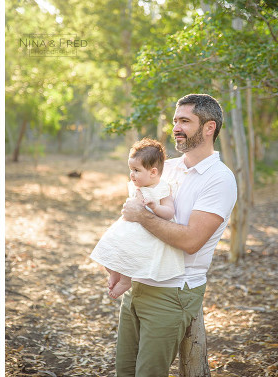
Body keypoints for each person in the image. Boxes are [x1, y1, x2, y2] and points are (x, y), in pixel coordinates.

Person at [116, 94, 237, 376]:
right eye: (175, 121)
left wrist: (141, 214)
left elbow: (191, 241)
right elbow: (133, 217)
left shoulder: (219, 178)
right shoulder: (166, 168)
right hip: (137, 284)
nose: (176, 128)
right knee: (124, 371)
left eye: (185, 121)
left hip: (173, 291)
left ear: (209, 128)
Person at [90, 138, 185, 299]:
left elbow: (169, 212)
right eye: (130, 169)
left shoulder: (163, 188)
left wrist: (155, 207)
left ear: (153, 172)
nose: (132, 174)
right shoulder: (136, 186)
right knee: (109, 250)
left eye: (136, 170)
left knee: (130, 254)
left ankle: (126, 280)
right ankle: (114, 272)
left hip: (146, 233)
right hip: (128, 227)